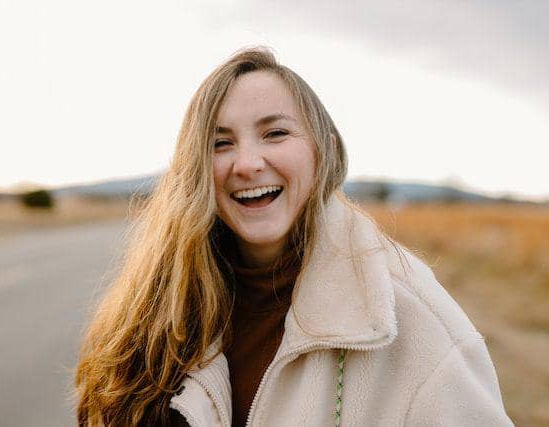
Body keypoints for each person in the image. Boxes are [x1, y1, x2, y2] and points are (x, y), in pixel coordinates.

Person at [75, 47, 514, 426]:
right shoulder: (160, 302)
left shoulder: (412, 319)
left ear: (323, 151)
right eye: (221, 143)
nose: (247, 164)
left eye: (276, 133)